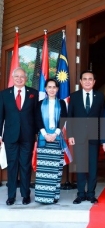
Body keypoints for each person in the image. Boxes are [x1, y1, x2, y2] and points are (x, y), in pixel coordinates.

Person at [0, 67, 38, 206]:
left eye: (22, 77)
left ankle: (25, 195)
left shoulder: (33, 93)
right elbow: (0, 116)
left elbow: (36, 116)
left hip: (27, 136)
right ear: (13, 78)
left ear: (26, 78)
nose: (19, 79)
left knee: (25, 166)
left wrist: (38, 133)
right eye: (17, 76)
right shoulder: (4, 94)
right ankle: (11, 196)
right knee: (12, 166)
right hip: (10, 136)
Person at [67, 70, 105, 204]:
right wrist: (70, 134)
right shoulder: (74, 96)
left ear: (94, 82)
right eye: (85, 79)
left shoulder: (100, 96)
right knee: (81, 166)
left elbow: (102, 118)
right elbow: (70, 117)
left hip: (94, 137)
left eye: (90, 79)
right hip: (78, 137)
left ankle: (91, 194)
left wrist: (103, 137)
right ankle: (81, 194)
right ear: (81, 81)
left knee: (93, 167)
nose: (88, 81)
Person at [34, 78, 67, 204]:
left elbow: (64, 119)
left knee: (55, 170)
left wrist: (55, 134)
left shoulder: (62, 103)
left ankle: (53, 196)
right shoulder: (40, 104)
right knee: (44, 170)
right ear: (46, 89)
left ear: (57, 89)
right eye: (49, 87)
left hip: (57, 138)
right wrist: (45, 134)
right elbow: (37, 119)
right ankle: (43, 197)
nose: (52, 89)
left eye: (54, 87)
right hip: (44, 139)